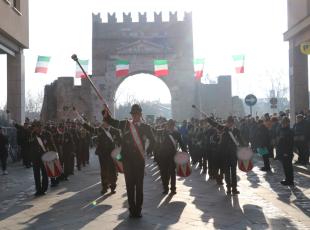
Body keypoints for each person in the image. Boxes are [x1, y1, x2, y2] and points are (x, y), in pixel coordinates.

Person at [103, 104, 155, 218]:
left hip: (139, 161)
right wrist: (105, 110)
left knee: (139, 187)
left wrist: (147, 151)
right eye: (133, 114)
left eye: (137, 114)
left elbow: (153, 141)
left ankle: (138, 209)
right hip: (127, 161)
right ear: (131, 115)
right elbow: (111, 121)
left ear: (140, 115)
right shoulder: (125, 124)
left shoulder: (146, 127)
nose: (135, 116)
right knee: (130, 186)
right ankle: (132, 210)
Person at [207, 116, 244, 195]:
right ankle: (228, 188)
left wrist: (246, 147)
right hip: (225, 154)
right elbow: (214, 124)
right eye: (228, 122)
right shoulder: (223, 128)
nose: (229, 124)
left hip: (233, 154)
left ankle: (234, 188)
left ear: (233, 123)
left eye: (231, 122)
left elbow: (241, 140)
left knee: (233, 172)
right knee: (227, 172)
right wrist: (208, 119)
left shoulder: (236, 131)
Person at [83, 120, 121, 194]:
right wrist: (82, 122)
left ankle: (113, 186)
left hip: (111, 153)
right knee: (104, 170)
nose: (103, 123)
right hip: (102, 153)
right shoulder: (99, 129)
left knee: (112, 170)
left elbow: (120, 142)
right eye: (103, 121)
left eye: (105, 121)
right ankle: (104, 187)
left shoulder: (115, 130)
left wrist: (119, 154)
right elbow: (91, 129)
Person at [157, 119, 187, 195]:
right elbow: (157, 143)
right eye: (170, 125)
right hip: (163, 155)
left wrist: (185, 153)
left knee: (172, 172)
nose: (171, 127)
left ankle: (173, 189)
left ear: (173, 126)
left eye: (172, 125)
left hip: (172, 155)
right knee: (164, 172)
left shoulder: (177, 133)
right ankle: (166, 188)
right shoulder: (162, 132)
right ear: (167, 125)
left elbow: (182, 143)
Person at [29, 120, 57, 196]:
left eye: (39, 126)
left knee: (44, 173)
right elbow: (30, 146)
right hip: (35, 157)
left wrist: (55, 153)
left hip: (44, 157)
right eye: (36, 127)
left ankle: (44, 189)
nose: (38, 128)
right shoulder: (32, 135)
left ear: (41, 127)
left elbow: (52, 144)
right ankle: (38, 190)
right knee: (36, 174)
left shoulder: (46, 134)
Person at [277, 117, 295, 186]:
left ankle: (290, 181)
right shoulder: (282, 130)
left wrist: (286, 152)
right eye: (282, 123)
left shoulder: (290, 131)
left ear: (287, 123)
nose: (283, 124)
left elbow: (290, 143)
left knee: (288, 167)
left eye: (284, 123)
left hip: (287, 152)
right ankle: (287, 179)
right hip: (282, 151)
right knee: (285, 167)